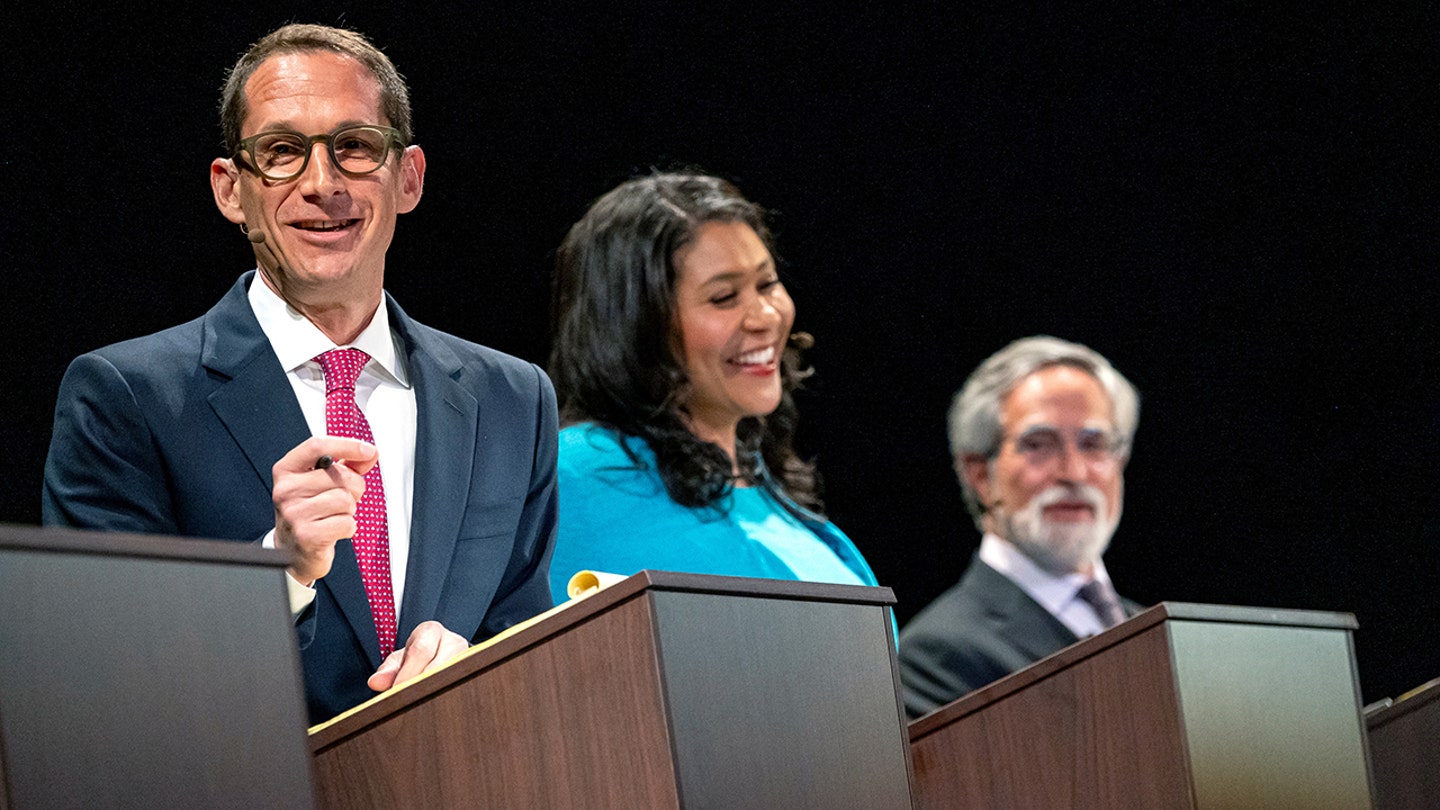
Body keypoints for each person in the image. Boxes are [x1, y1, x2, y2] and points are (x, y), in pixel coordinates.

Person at [41, 23, 558, 723]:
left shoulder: (513, 399)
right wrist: (276, 570)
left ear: (408, 178)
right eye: (281, 152)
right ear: (231, 190)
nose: (323, 184)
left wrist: (475, 663)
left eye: (355, 147)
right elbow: (95, 668)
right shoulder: (126, 397)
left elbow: (526, 638)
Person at [545, 172, 878, 600]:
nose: (765, 317)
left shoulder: (767, 486)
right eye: (724, 298)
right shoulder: (574, 482)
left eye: (767, 284)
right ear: (635, 325)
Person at [898, 336, 1145, 717]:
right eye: (1039, 444)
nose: (1074, 472)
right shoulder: (937, 655)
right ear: (981, 475)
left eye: (1094, 443)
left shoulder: (1155, 629)